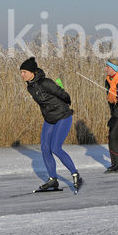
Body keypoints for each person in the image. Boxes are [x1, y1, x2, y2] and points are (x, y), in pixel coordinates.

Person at [20, 57, 82, 191]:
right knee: (45, 148)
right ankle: (53, 179)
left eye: (24, 72)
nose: (22, 75)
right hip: (49, 118)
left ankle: (76, 174)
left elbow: (63, 94)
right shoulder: (30, 87)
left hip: (63, 116)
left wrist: (67, 101)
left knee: (55, 148)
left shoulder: (45, 82)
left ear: (32, 72)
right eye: (21, 72)